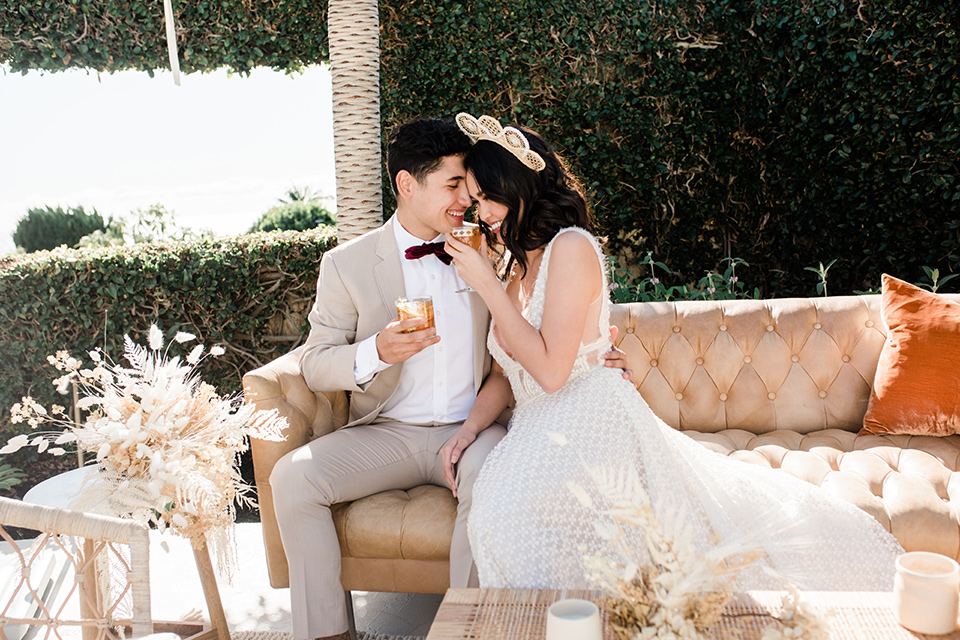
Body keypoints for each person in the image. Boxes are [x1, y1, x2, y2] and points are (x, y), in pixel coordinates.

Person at [443, 113, 903, 592]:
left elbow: (554, 371)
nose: (481, 213)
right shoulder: (511, 267)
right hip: (538, 423)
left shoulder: (570, 248)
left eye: (486, 197)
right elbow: (506, 374)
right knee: (499, 506)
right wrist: (468, 430)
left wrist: (485, 288)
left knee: (520, 511)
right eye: (474, 201)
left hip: (588, 414)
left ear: (518, 185)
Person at [270, 117, 632, 640]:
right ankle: (327, 634)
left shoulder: (495, 255)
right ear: (407, 185)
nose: (467, 200)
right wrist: (376, 350)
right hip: (386, 431)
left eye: (472, 186)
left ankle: (467, 629)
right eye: (454, 185)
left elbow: (541, 339)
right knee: (292, 477)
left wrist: (598, 354)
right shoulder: (346, 265)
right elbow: (314, 361)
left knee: (492, 482)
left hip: (473, 426)